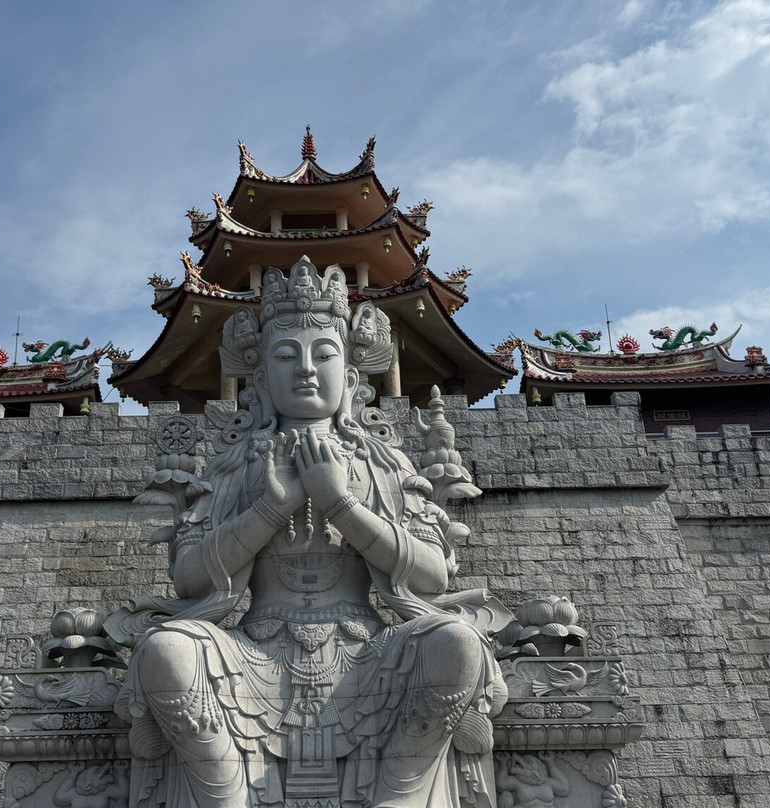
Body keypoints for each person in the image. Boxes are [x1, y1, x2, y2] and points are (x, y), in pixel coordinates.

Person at [107, 257, 509, 808]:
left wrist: (339, 502)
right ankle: (226, 796)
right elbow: (190, 580)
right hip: (253, 653)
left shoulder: (382, 463)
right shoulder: (235, 465)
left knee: (455, 642)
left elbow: (432, 576)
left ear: (351, 376)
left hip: (369, 651)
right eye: (284, 355)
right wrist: (272, 508)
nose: (305, 369)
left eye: (323, 354)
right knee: (166, 649)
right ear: (260, 378)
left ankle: (399, 794)